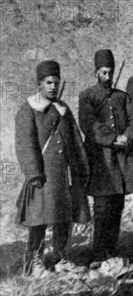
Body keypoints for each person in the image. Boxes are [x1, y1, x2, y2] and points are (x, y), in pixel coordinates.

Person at [15, 60, 90, 276]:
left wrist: (81, 169)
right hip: (43, 177)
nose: (53, 87)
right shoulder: (27, 110)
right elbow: (25, 145)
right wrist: (33, 174)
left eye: (56, 83)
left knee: (63, 218)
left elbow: (76, 141)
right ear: (39, 84)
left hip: (64, 176)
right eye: (48, 83)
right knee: (38, 220)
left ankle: (59, 257)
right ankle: (35, 261)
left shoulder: (63, 109)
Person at [79, 49, 133, 265]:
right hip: (101, 162)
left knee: (117, 205)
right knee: (102, 207)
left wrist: (127, 136)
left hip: (122, 162)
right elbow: (89, 125)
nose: (108, 77)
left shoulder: (122, 97)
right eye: (104, 73)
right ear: (96, 72)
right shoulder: (87, 96)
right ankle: (98, 253)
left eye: (111, 72)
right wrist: (114, 138)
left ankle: (111, 249)